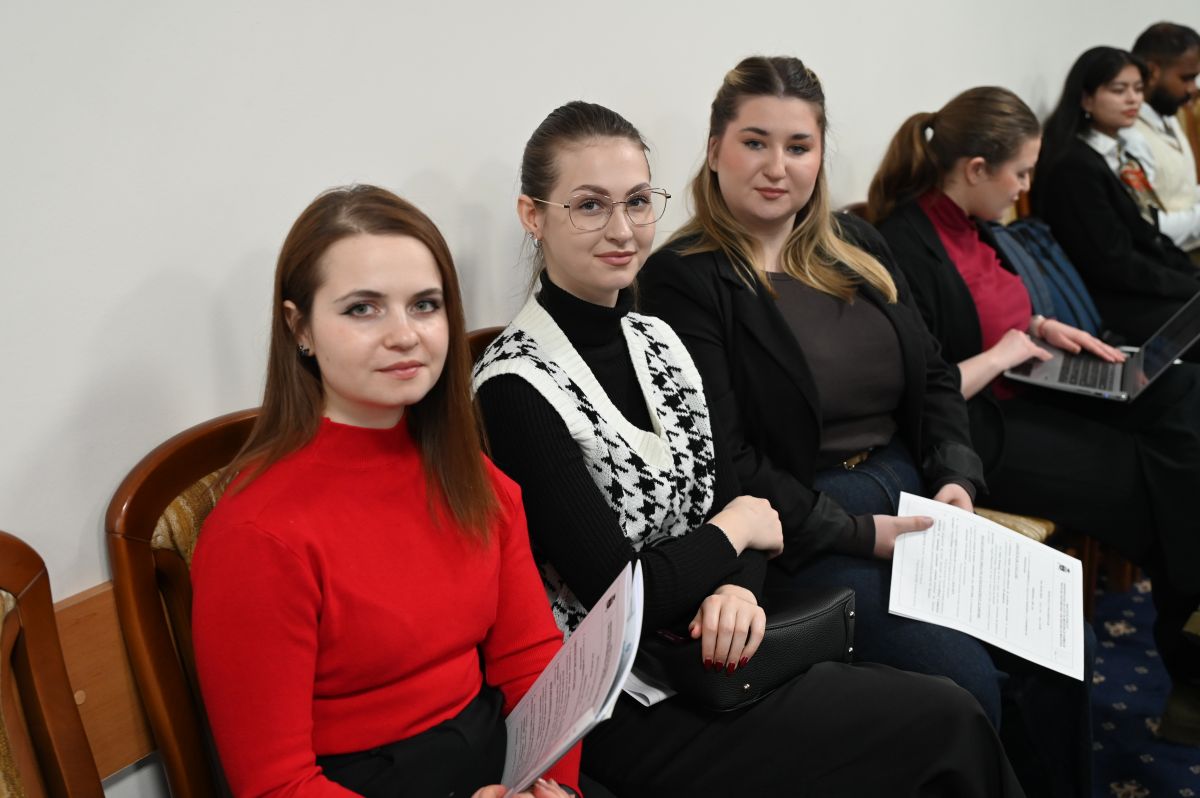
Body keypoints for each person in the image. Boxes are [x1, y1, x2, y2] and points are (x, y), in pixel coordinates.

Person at [475, 99, 1024, 797]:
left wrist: (738, 584)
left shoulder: (655, 339)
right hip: (622, 696)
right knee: (941, 720)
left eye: (638, 202)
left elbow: (741, 500)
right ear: (533, 215)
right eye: (589, 206)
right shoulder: (516, 383)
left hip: (717, 644)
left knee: (947, 713)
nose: (622, 230)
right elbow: (624, 594)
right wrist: (733, 536)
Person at [636, 56, 1086, 797]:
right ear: (715, 149)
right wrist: (857, 533)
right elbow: (725, 459)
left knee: (1064, 645)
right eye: (754, 142)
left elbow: (934, 376)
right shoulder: (683, 277)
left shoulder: (856, 244)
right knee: (965, 681)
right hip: (802, 528)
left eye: (798, 146)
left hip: (913, 497)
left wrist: (955, 474)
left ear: (820, 154)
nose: (777, 166)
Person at [190, 185, 578, 798]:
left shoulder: (471, 475)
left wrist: (552, 785)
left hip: (503, 764)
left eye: (425, 305)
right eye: (362, 309)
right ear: (300, 327)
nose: (404, 335)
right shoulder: (255, 534)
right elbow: (277, 785)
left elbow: (531, 662)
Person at [868, 85, 1200, 750]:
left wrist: (1043, 327)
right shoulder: (904, 245)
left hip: (1028, 382)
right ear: (975, 169)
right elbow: (922, 389)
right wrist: (1005, 352)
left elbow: (995, 308)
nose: (1025, 188)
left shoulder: (974, 225)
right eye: (1020, 174)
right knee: (1154, 476)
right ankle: (1189, 654)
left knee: (1187, 402)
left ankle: (1190, 632)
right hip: (978, 427)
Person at [1033, 46, 1200, 348]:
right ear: (1086, 98)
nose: (1133, 99)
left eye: (1138, 89)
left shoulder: (1117, 151)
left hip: (1142, 284)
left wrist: (1189, 276)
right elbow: (1113, 262)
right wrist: (1187, 286)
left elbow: (1146, 232)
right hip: (1114, 302)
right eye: (1119, 90)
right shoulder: (1073, 166)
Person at [1126, 22, 1200, 256]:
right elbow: (1149, 226)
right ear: (1153, 71)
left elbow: (1183, 193)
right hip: (1169, 261)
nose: (1193, 89)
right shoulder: (1129, 134)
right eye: (1186, 78)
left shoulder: (1168, 115)